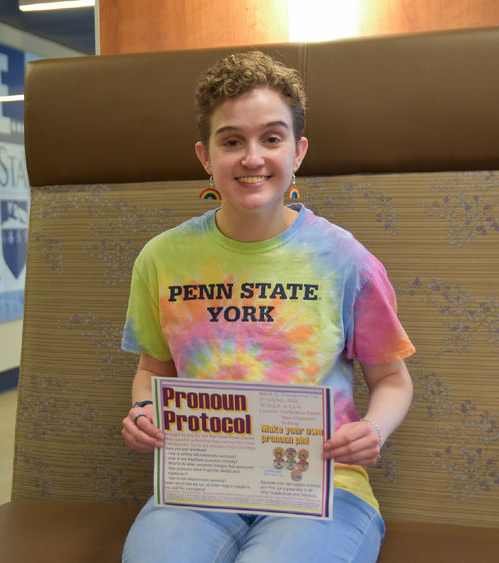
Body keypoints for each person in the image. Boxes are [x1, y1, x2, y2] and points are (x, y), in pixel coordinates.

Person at [119, 50, 415, 563]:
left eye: (271, 139)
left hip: (320, 484)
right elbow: (153, 369)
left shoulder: (345, 259)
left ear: (298, 151)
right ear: (205, 156)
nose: (252, 158)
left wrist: (372, 430)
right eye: (232, 141)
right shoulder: (161, 259)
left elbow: (393, 379)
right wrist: (144, 410)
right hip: (203, 482)